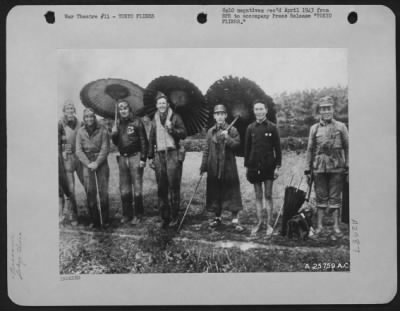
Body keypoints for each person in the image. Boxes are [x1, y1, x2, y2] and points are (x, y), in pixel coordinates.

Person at [304, 96, 349, 237]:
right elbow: (310, 149)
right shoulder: (314, 128)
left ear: (333, 109)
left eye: (328, 108)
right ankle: (319, 227)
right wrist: (307, 169)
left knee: (335, 198)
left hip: (337, 167)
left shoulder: (341, 127)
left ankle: (336, 227)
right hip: (319, 168)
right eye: (323, 108)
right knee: (321, 198)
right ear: (319, 111)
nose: (326, 111)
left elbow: (348, 148)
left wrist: (348, 165)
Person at [148, 92, 187, 229]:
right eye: (159, 103)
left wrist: (172, 129)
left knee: (173, 186)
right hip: (159, 155)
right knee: (161, 187)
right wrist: (150, 157)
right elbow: (151, 138)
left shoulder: (176, 117)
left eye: (164, 103)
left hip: (172, 153)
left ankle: (175, 216)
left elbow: (183, 133)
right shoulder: (154, 119)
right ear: (156, 105)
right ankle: (164, 217)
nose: (162, 105)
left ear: (168, 104)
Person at [200, 105, 243, 228]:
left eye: (222, 114)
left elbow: (237, 146)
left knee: (231, 191)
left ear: (225, 116)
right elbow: (206, 150)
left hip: (228, 166)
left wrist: (227, 138)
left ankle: (234, 219)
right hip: (214, 166)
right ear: (214, 116)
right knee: (215, 191)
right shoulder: (210, 131)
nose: (219, 116)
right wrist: (203, 166)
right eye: (217, 114)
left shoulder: (233, 130)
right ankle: (217, 218)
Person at [244, 100, 282, 236]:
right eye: (256, 109)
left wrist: (277, 167)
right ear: (253, 111)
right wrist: (247, 167)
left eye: (261, 109)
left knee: (268, 195)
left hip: (269, 167)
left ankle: (269, 224)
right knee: (258, 196)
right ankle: (260, 222)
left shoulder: (272, 127)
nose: (259, 111)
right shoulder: (250, 128)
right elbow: (247, 150)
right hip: (254, 167)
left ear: (266, 110)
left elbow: (278, 149)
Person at [111, 100, 148, 225]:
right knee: (124, 188)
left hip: (135, 157)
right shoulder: (118, 123)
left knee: (137, 187)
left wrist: (143, 158)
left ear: (129, 109)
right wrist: (114, 134)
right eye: (120, 109)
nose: (123, 111)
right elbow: (117, 143)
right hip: (122, 158)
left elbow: (144, 141)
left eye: (125, 108)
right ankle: (127, 214)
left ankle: (139, 214)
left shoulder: (137, 122)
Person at [76, 108, 110, 228]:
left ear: (94, 117)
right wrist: (88, 163)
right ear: (84, 119)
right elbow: (78, 150)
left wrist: (97, 162)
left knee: (103, 191)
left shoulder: (103, 130)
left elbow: (105, 148)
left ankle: (105, 220)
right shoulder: (80, 131)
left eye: (91, 116)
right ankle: (94, 220)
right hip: (87, 163)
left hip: (101, 163)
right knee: (90, 192)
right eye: (87, 117)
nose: (89, 119)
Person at [58, 100, 84, 226]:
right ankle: (73, 215)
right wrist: (63, 149)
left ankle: (94, 212)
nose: (70, 111)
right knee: (71, 188)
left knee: (87, 184)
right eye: (67, 108)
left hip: (79, 156)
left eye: (71, 108)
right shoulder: (60, 124)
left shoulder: (80, 123)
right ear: (64, 111)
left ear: (74, 110)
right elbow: (57, 143)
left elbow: (84, 138)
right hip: (67, 158)